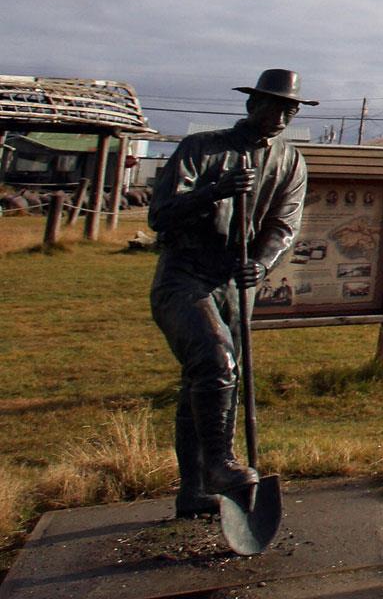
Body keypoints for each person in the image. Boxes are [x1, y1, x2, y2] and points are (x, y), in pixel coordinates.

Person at [148, 69, 312, 517]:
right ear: (251, 105)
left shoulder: (290, 161)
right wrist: (213, 191)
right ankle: (219, 465)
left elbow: (284, 224)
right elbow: (160, 214)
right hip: (185, 277)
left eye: (290, 108)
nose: (281, 115)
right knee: (216, 360)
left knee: (211, 383)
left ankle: (195, 490)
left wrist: (260, 263)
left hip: (237, 284)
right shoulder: (201, 149)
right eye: (273, 105)